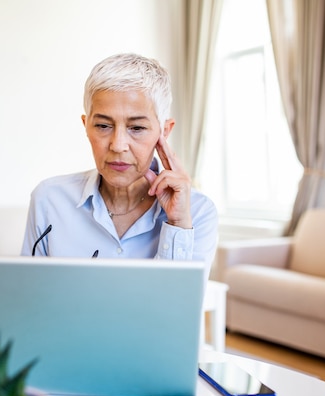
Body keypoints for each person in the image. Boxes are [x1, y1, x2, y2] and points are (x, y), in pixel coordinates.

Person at [21, 53, 218, 269]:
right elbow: (28, 295)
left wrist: (178, 225)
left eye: (137, 128)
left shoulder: (197, 212)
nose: (118, 145)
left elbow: (178, 302)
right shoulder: (49, 200)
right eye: (103, 126)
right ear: (86, 126)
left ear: (164, 131)